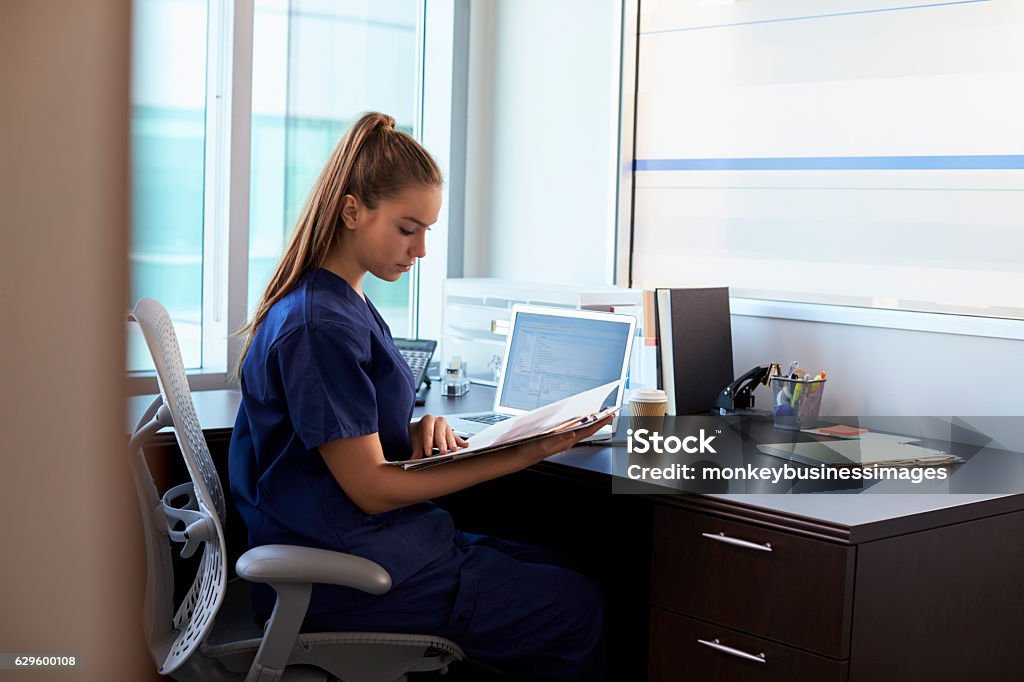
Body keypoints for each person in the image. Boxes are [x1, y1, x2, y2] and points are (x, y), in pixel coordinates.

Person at [228, 112, 609, 681]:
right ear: (353, 211)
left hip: (371, 546)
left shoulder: (340, 302)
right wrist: (525, 451)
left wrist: (412, 431)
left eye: (426, 230)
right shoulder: (319, 324)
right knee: (580, 608)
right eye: (408, 229)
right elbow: (372, 487)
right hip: (349, 575)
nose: (421, 250)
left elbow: (337, 440)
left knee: (566, 567)